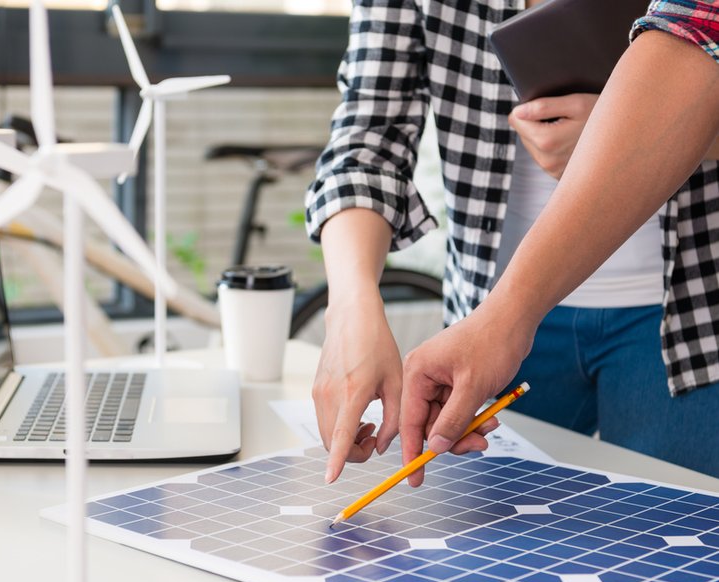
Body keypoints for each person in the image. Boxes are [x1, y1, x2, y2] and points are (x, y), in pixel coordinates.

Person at [305, 0, 719, 485]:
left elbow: (697, 41)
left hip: (692, 317)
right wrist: (351, 306)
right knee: (483, 550)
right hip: (485, 328)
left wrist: (635, 133)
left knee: (674, 541)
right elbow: (367, 144)